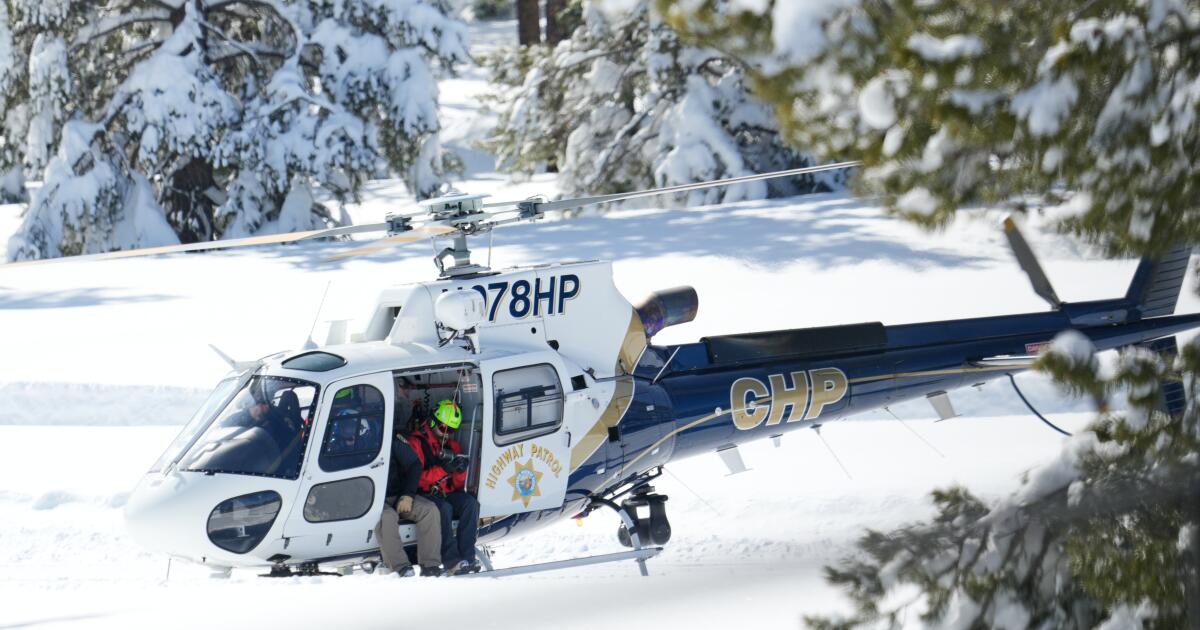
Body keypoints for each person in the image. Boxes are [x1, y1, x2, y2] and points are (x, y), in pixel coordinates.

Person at [409, 400, 481, 575]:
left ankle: (468, 557)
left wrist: (460, 471)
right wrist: (443, 469)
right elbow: (416, 480)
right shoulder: (416, 443)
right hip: (423, 494)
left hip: (446, 493)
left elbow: (456, 486)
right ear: (433, 422)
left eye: (452, 430)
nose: (447, 434)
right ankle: (452, 561)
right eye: (444, 428)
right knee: (444, 508)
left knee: (470, 504)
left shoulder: (453, 447)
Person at [374, 435, 444, 578]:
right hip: (373, 500)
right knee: (388, 517)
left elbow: (415, 464)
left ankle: (431, 565)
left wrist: (408, 495)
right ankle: (400, 567)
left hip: (397, 495)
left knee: (429, 510)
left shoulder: (391, 440)